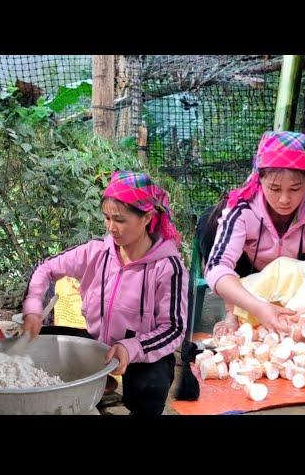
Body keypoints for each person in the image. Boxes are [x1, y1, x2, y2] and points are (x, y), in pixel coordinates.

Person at [22, 171, 188, 415]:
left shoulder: (167, 267)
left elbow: (173, 328)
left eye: (120, 220)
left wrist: (131, 348)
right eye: (107, 218)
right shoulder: (97, 252)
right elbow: (46, 268)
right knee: (38, 342)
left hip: (139, 350)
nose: (112, 228)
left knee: (150, 386)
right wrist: (34, 309)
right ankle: (92, 392)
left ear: (147, 218)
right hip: (97, 343)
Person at [203, 131, 305, 344]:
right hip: (253, 276)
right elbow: (216, 267)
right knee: (209, 223)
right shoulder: (243, 209)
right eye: (274, 188)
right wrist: (258, 307)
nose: (284, 199)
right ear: (259, 179)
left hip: (300, 275)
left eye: (295, 188)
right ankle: (232, 314)